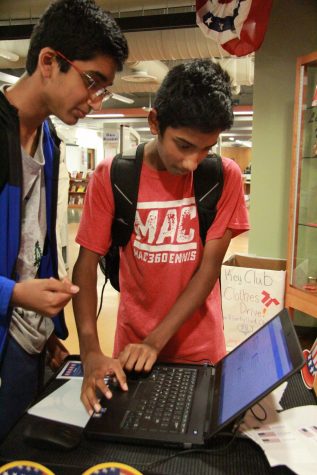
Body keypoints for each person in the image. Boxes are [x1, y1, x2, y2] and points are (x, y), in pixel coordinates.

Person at [72, 59, 250, 415]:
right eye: (183, 145)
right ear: (155, 123)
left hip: (201, 351)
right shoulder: (113, 176)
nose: (192, 163)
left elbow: (207, 271)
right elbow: (85, 267)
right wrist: (90, 349)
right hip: (131, 352)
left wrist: (155, 342)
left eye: (206, 149)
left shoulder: (222, 176)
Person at [0, 0, 128, 441]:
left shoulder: (49, 140)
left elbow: (35, 245)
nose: (95, 101)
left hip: (29, 343)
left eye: (104, 90)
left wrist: (46, 330)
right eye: (92, 82)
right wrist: (15, 295)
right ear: (49, 62)